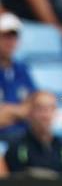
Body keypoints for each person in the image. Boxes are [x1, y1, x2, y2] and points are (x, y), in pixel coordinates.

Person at [4, 91, 62, 176]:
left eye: (51, 109)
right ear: (29, 112)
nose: (45, 115)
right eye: (40, 109)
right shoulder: (17, 147)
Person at [0, 13, 36, 141]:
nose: (10, 42)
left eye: (13, 37)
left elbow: (33, 107)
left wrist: (7, 110)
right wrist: (21, 112)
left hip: (22, 135)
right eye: (5, 36)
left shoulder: (21, 69)